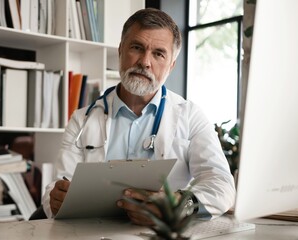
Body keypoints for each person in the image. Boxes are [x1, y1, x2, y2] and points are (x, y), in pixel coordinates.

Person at [42, 8, 236, 225]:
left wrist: (178, 206)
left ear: (171, 66)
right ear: (120, 51)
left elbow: (222, 186)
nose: (145, 62)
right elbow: (56, 186)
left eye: (158, 53)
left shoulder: (190, 116)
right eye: (137, 47)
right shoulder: (82, 119)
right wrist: (56, 198)